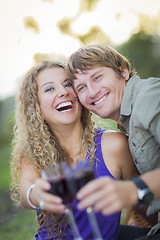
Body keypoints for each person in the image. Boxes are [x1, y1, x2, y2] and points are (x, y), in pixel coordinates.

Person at [10, 60, 139, 240]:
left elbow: (142, 198)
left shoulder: (114, 145)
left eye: (68, 84)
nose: (63, 92)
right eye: (49, 89)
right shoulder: (33, 153)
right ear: (36, 106)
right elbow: (27, 189)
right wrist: (36, 193)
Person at [67, 44, 160, 240]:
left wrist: (133, 189)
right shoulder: (126, 123)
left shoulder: (149, 96)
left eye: (97, 77)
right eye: (81, 88)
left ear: (123, 71)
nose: (92, 92)